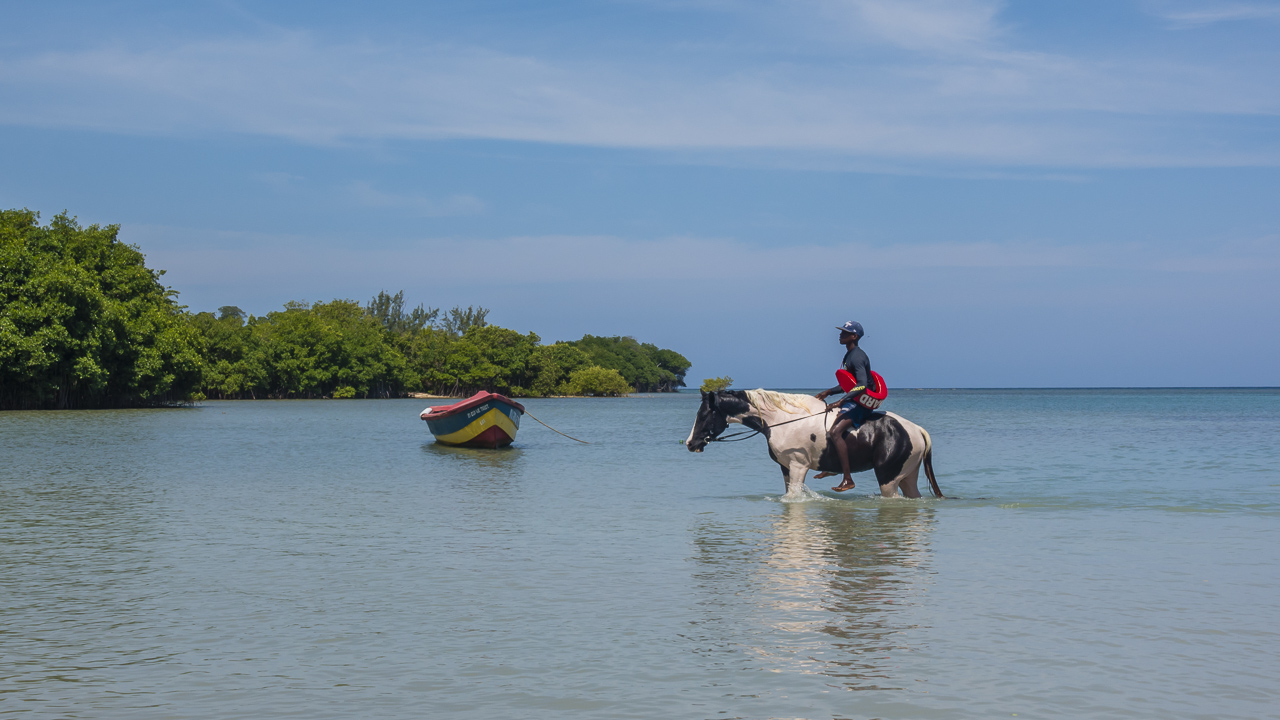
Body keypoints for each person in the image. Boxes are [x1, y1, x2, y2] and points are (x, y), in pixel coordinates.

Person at [814, 321, 873, 492]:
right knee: (826, 425)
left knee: (835, 432)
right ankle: (832, 467)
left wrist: (840, 401)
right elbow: (849, 384)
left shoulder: (858, 356)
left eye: (845, 333)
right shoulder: (849, 355)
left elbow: (861, 385)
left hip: (861, 404)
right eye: (841, 332)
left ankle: (848, 479)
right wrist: (829, 392)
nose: (841, 335)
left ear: (854, 337)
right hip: (853, 400)